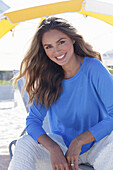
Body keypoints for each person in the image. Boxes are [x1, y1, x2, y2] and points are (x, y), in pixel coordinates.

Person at [8, 17, 113, 170]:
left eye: (61, 42)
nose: (56, 51)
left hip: (99, 145)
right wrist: (53, 148)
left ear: (73, 40)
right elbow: (33, 121)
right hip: (62, 147)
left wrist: (78, 141)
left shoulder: (93, 67)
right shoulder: (47, 77)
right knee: (24, 143)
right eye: (48, 47)